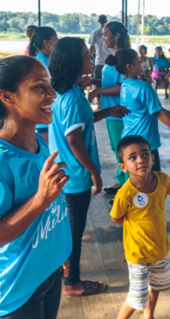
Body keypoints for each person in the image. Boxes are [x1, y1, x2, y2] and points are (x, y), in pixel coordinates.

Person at [48, 37, 129, 297]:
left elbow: (81, 123)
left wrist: (108, 111)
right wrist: (94, 171)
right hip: (74, 177)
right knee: (74, 229)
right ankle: (72, 282)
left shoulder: (66, 92)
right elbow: (73, 139)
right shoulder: (71, 97)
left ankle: (62, 266)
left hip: (66, 174)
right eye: (86, 53)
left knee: (66, 226)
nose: (91, 56)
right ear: (73, 61)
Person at [0, 55, 71, 318]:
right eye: (40, 87)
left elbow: (53, 210)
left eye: (50, 86)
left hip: (48, 271)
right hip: (17, 291)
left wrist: (57, 250)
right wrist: (41, 198)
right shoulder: (3, 161)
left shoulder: (39, 145)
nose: (52, 94)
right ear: (8, 96)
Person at [110, 135, 170, 319]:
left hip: (161, 249)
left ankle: (149, 314)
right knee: (136, 297)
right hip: (138, 253)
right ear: (123, 167)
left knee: (157, 286)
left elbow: (163, 197)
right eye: (133, 157)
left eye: (145, 154)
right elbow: (116, 218)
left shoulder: (163, 180)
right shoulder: (125, 193)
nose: (141, 160)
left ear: (153, 158)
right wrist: (135, 225)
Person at [107, 48, 170, 172]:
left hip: (128, 140)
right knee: (152, 185)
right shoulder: (143, 87)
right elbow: (158, 113)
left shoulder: (126, 85)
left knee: (139, 184)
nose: (141, 61)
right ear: (129, 66)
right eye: (137, 60)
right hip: (144, 144)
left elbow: (150, 108)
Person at [89, 21, 131, 194]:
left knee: (123, 149)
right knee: (117, 147)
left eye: (105, 34)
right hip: (110, 111)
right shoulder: (113, 57)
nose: (103, 38)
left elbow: (124, 86)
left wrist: (99, 90)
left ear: (116, 36)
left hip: (118, 111)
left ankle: (128, 185)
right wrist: (94, 83)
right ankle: (122, 180)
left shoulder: (123, 59)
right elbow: (110, 82)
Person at [28, 26, 58, 143]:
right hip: (43, 109)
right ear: (46, 43)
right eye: (55, 39)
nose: (57, 41)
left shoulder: (46, 60)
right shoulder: (41, 64)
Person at [88, 15, 114, 103]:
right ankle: (101, 104)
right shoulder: (98, 33)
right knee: (106, 83)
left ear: (98, 21)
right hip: (106, 61)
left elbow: (91, 48)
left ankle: (101, 104)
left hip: (104, 61)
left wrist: (90, 58)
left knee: (102, 84)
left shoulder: (95, 32)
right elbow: (91, 48)